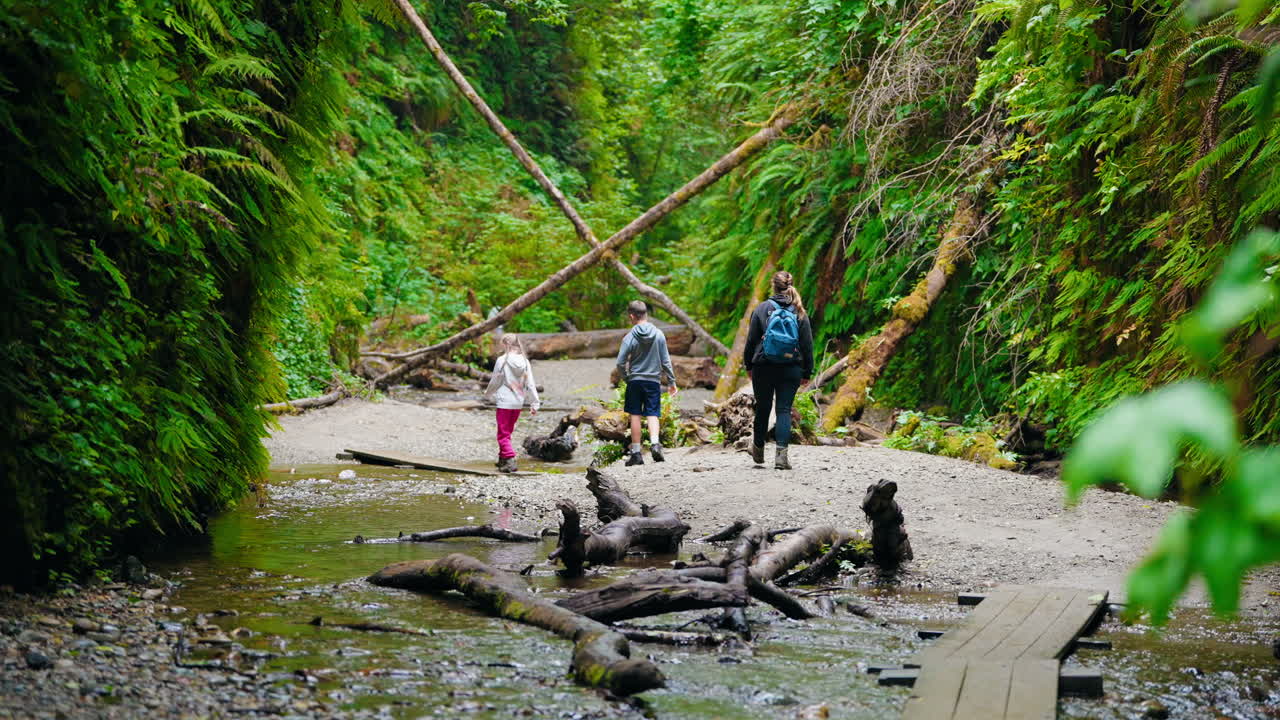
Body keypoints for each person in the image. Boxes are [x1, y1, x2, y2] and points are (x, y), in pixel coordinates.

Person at [742, 270, 814, 470]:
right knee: (784, 410)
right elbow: (807, 345)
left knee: (763, 408)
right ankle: (781, 458)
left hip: (763, 366)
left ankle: (757, 450)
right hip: (791, 368)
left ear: (772, 286)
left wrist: (748, 365)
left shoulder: (761, 309)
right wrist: (807, 372)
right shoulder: (799, 311)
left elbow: (751, 341)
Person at [615, 300, 678, 466]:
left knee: (635, 414)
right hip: (653, 381)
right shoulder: (658, 334)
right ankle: (655, 444)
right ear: (646, 314)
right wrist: (671, 381)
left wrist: (627, 378)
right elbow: (665, 361)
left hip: (635, 381)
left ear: (631, 316)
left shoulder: (629, 337)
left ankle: (636, 453)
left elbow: (620, 362)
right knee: (652, 413)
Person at [484, 334, 539, 473]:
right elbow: (530, 384)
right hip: (518, 402)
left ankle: (510, 460)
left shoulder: (502, 360)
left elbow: (495, 381)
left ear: (506, 344)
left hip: (504, 402)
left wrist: (487, 394)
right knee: (508, 431)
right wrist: (535, 402)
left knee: (502, 434)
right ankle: (502, 460)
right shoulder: (525, 362)